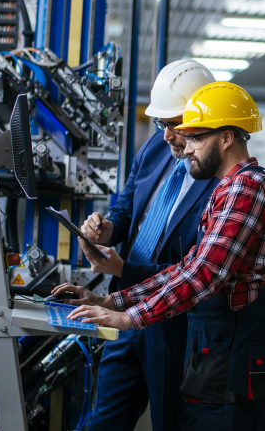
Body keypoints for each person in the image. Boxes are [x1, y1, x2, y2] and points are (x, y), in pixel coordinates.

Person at [55, 82, 265, 431]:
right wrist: (112, 300)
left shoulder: (246, 189)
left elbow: (201, 277)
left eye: (195, 137)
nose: (185, 148)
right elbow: (187, 268)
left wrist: (128, 318)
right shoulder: (228, 188)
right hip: (218, 351)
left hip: (236, 355)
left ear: (225, 138)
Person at [61, 60, 219, 431]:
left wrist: (122, 269)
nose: (167, 136)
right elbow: (128, 204)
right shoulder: (156, 147)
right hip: (122, 304)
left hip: (172, 324)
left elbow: (194, 271)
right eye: (162, 124)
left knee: (171, 421)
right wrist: (107, 228)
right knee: (105, 422)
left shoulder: (217, 178)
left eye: (175, 125)